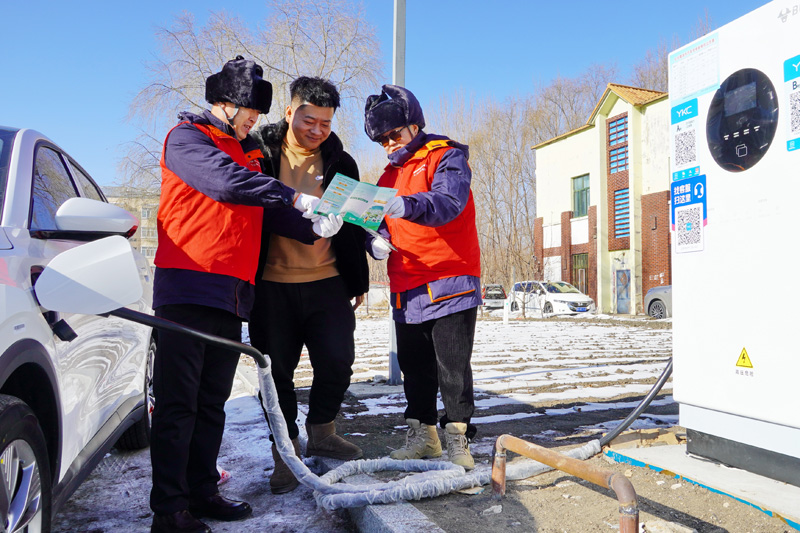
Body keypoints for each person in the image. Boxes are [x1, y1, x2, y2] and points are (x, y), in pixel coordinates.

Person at [150, 57, 341, 533]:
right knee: (178, 403)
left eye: (257, 115)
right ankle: (169, 509)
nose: (254, 121)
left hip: (233, 293)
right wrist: (293, 195)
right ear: (226, 104)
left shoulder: (247, 150)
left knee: (211, 400)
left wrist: (315, 226)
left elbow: (265, 210)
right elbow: (226, 183)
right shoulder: (188, 139)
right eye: (250, 113)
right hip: (188, 285)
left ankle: (202, 490)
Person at [249, 76, 369, 494]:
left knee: (337, 360)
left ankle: (322, 430)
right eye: (309, 120)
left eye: (325, 123)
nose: (317, 130)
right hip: (270, 285)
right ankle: (285, 451)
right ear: (289, 112)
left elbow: (354, 221)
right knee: (275, 373)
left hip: (327, 281)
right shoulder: (259, 154)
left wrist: (361, 273)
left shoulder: (341, 162)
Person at [363, 84, 481, 470]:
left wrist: (407, 205)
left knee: (452, 365)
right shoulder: (386, 176)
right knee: (414, 366)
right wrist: (373, 239)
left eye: (394, 134)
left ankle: (458, 437)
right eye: (381, 139)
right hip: (406, 283)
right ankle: (424, 437)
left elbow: (448, 202)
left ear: (414, 125)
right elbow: (375, 222)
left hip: (448, 277)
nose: (388, 144)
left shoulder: (446, 156)